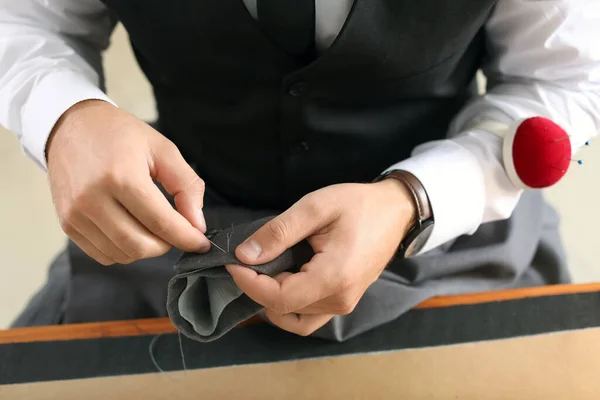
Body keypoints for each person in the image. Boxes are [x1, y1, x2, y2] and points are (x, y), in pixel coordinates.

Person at [0, 0, 598, 340]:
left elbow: (565, 81)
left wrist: (414, 198)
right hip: (162, 254)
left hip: (454, 253)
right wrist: (65, 116)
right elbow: (28, 19)